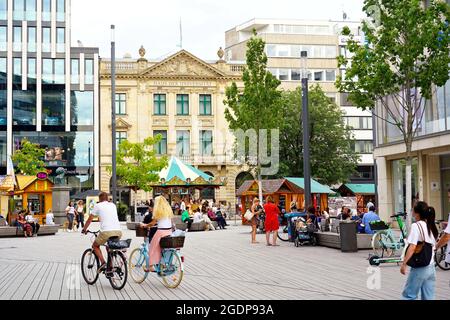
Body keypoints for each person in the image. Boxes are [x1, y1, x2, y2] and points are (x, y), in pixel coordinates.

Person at [401, 201, 438, 300]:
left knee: (409, 296)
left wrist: (404, 263)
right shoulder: (430, 225)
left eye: (413, 209)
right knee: (429, 297)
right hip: (431, 267)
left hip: (420, 268)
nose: (412, 211)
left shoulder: (416, 226)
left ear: (416, 213)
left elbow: (412, 247)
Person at [82, 192, 123, 273]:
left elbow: (90, 219)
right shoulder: (113, 205)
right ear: (107, 198)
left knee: (95, 245)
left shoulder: (98, 205)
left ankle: (103, 263)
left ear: (99, 199)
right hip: (118, 232)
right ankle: (110, 267)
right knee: (109, 247)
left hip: (106, 232)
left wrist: (84, 229)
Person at [146, 196, 174, 273]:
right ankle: (163, 263)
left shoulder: (158, 210)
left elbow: (153, 223)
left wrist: (145, 225)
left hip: (161, 232)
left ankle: (151, 266)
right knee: (162, 247)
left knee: (152, 246)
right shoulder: (168, 210)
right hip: (169, 231)